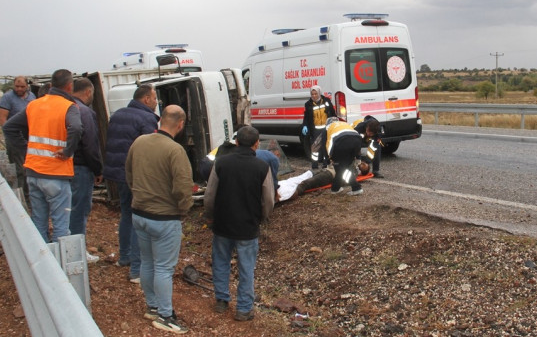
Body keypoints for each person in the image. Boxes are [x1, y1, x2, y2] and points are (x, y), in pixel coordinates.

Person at [126, 105, 193, 334]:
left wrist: (138, 196)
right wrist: (184, 210)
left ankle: (152, 306)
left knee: (147, 262)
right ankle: (166, 316)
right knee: (164, 268)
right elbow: (183, 187)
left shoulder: (139, 142)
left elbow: (129, 174)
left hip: (139, 214)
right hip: (164, 218)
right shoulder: (175, 150)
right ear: (181, 124)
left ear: (161, 119)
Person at [203, 126, 274, 322]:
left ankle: (221, 300)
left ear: (236, 142)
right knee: (246, 268)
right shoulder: (262, 166)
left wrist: (210, 216)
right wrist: (263, 217)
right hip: (248, 226)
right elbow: (267, 200)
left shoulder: (221, 163)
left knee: (220, 262)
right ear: (256, 143)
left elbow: (209, 195)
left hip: (223, 224)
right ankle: (243, 309)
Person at [3, 69, 82, 242]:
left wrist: (26, 150)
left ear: (52, 85)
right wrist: (68, 151)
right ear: (70, 86)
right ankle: (58, 266)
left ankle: (41, 259)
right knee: (61, 226)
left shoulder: (34, 105)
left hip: (33, 172)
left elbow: (8, 127)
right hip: (57, 174)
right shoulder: (69, 107)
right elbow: (76, 128)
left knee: (39, 221)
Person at [104, 84, 159, 282]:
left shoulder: (118, 114)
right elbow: (150, 150)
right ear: (145, 99)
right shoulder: (147, 118)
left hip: (119, 174)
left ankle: (124, 257)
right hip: (137, 177)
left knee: (126, 214)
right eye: (154, 98)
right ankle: (137, 270)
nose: (156, 102)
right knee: (140, 220)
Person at [69, 78, 103, 263]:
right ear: (88, 92)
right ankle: (76, 254)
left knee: (65, 209)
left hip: (62, 167)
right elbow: (91, 145)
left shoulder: (64, 108)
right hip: (81, 168)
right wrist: (98, 169)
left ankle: (64, 248)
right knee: (79, 210)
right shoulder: (84, 112)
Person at [0, 76, 36, 189]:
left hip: (28, 136)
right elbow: (2, 119)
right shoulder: (7, 98)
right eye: (17, 86)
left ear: (27, 86)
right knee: (20, 167)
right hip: (15, 136)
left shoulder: (32, 97)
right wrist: (10, 138)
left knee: (30, 165)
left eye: (22, 87)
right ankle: (21, 193)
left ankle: (29, 189)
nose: (19, 89)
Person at [278, 161, 370, 202]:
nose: (362, 164)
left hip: (329, 175)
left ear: (363, 171)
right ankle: (282, 186)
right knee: (306, 175)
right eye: (364, 163)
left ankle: (284, 196)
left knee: (307, 183)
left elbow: (344, 180)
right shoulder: (353, 161)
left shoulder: (354, 172)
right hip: (326, 170)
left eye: (364, 166)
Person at [325, 118, 366, 196]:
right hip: (356, 140)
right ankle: (335, 188)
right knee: (343, 167)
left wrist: (329, 159)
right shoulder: (344, 124)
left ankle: (356, 188)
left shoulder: (328, 128)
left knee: (341, 168)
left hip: (341, 143)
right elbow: (354, 137)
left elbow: (327, 145)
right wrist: (358, 157)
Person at [301, 85, 336, 169]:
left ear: (319, 93)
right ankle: (314, 165)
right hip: (315, 129)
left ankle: (325, 164)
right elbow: (306, 117)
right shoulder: (308, 104)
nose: (314, 96)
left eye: (315, 94)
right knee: (315, 148)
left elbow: (332, 113)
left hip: (326, 128)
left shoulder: (326, 101)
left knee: (325, 147)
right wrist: (305, 126)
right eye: (312, 94)